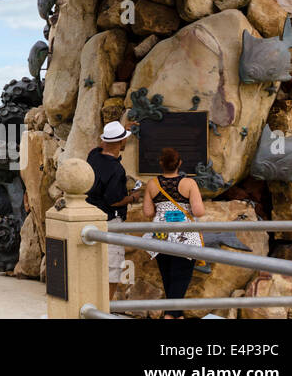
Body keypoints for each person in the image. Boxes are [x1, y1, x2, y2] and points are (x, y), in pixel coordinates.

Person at [142, 147, 205, 319]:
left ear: (161, 163)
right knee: (180, 280)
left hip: (160, 237)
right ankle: (171, 315)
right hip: (185, 238)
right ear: (180, 163)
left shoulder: (152, 184)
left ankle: (177, 315)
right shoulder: (189, 183)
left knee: (169, 280)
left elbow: (148, 212)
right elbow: (198, 211)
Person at [87, 121, 138, 292]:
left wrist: (121, 130)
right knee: (113, 268)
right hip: (110, 220)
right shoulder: (116, 170)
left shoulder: (93, 155)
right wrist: (132, 198)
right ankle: (105, 308)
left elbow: (105, 144)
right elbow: (114, 201)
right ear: (121, 142)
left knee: (93, 267)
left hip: (91, 218)